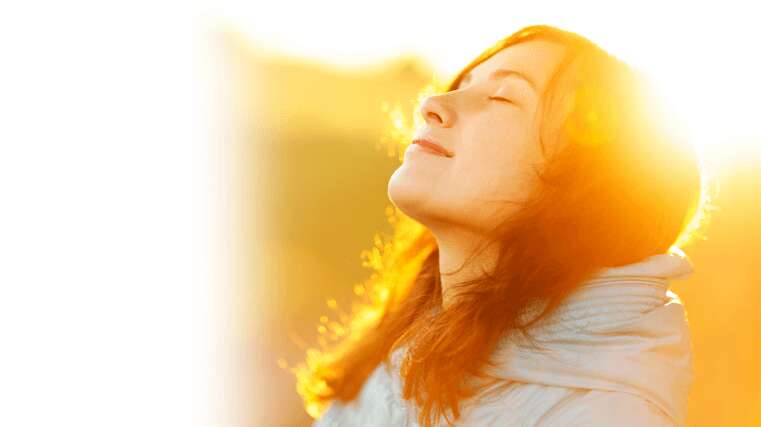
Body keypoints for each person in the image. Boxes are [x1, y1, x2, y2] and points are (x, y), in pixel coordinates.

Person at [296, 24, 710, 427]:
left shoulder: (608, 416)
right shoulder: (402, 354)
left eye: (501, 97)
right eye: (463, 83)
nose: (434, 103)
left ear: (583, 188)